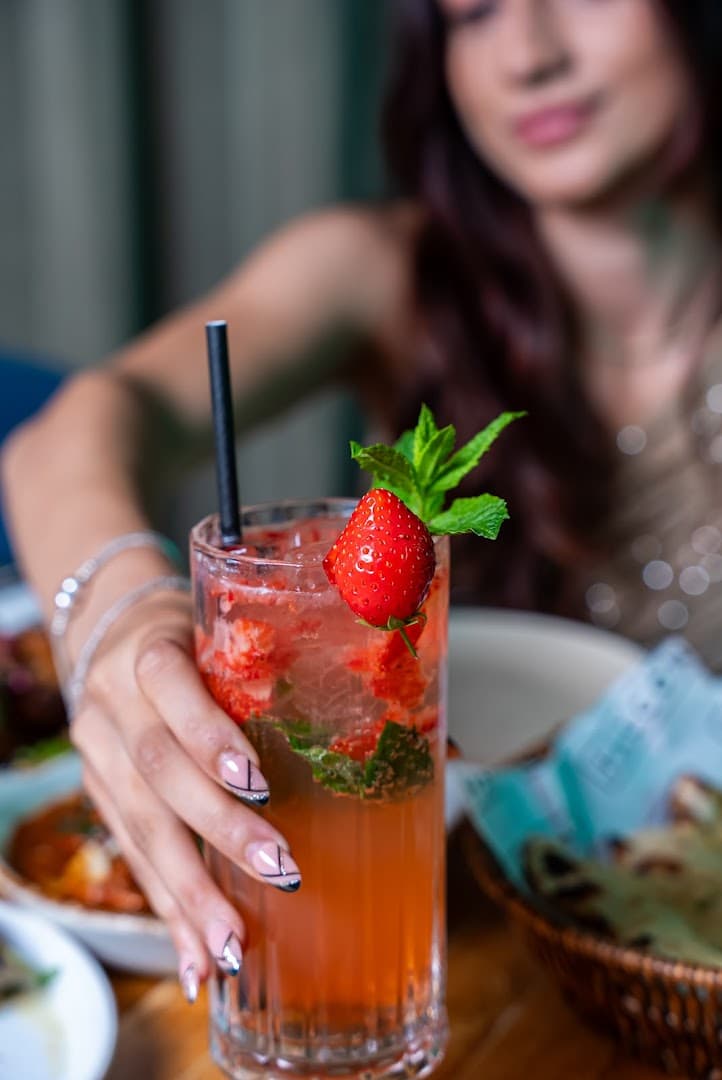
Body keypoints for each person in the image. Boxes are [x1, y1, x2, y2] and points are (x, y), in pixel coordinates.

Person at [3, 0, 722, 999]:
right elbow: (62, 440)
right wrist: (121, 619)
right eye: (470, 14)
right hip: (431, 942)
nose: (527, 55)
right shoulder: (379, 269)